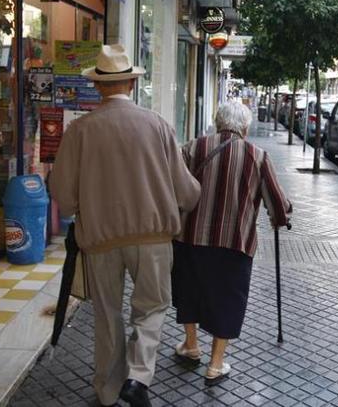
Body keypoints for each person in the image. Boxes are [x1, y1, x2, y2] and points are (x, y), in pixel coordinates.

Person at [51, 44, 201, 407]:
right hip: (152, 238)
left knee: (107, 315)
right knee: (152, 307)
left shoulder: (79, 131)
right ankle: (138, 377)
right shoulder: (158, 126)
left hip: (100, 240)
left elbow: (64, 197)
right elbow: (187, 192)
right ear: (132, 84)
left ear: (99, 87)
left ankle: (106, 391)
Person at [172, 101, 292, 385]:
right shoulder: (257, 156)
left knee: (188, 291)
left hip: (189, 237)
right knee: (227, 299)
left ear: (217, 122)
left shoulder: (192, 148)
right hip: (234, 243)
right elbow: (277, 203)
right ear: (245, 128)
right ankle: (215, 365)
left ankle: (191, 345)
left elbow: (174, 187)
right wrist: (283, 215)